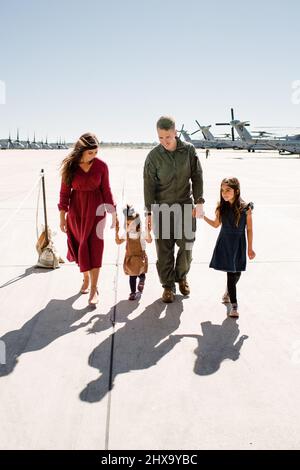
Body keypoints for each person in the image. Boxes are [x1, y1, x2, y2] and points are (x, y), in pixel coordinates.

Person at [143, 116, 204, 303]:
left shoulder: (188, 150)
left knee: (187, 245)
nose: (164, 141)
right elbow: (148, 186)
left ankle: (181, 277)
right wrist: (149, 213)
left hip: (185, 206)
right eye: (160, 137)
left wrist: (199, 201)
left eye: (168, 137)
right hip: (162, 208)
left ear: (175, 132)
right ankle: (168, 286)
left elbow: (197, 175)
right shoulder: (154, 156)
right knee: (164, 250)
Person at [58, 132, 116, 307]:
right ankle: (85, 278)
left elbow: (106, 190)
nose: (94, 156)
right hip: (76, 212)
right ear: (81, 150)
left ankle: (94, 288)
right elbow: (64, 194)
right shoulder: (70, 167)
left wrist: (113, 213)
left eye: (96, 152)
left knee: (95, 248)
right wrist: (62, 217)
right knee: (80, 246)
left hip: (97, 212)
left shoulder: (101, 166)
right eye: (91, 152)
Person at [202, 177, 256, 318]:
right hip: (225, 242)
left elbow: (249, 229)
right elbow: (215, 224)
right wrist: (202, 217)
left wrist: (250, 248)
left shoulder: (246, 208)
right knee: (231, 275)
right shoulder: (221, 207)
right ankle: (234, 306)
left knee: (237, 272)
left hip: (239, 243)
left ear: (236, 191)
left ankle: (227, 292)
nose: (224, 193)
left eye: (228, 190)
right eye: (222, 190)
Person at [115, 205, 152, 300]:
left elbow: (149, 240)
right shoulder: (126, 234)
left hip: (140, 259)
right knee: (132, 277)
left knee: (141, 274)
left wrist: (148, 231)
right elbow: (118, 241)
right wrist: (116, 231)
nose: (130, 227)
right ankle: (132, 292)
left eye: (132, 225)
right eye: (127, 225)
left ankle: (142, 280)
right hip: (130, 259)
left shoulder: (142, 234)